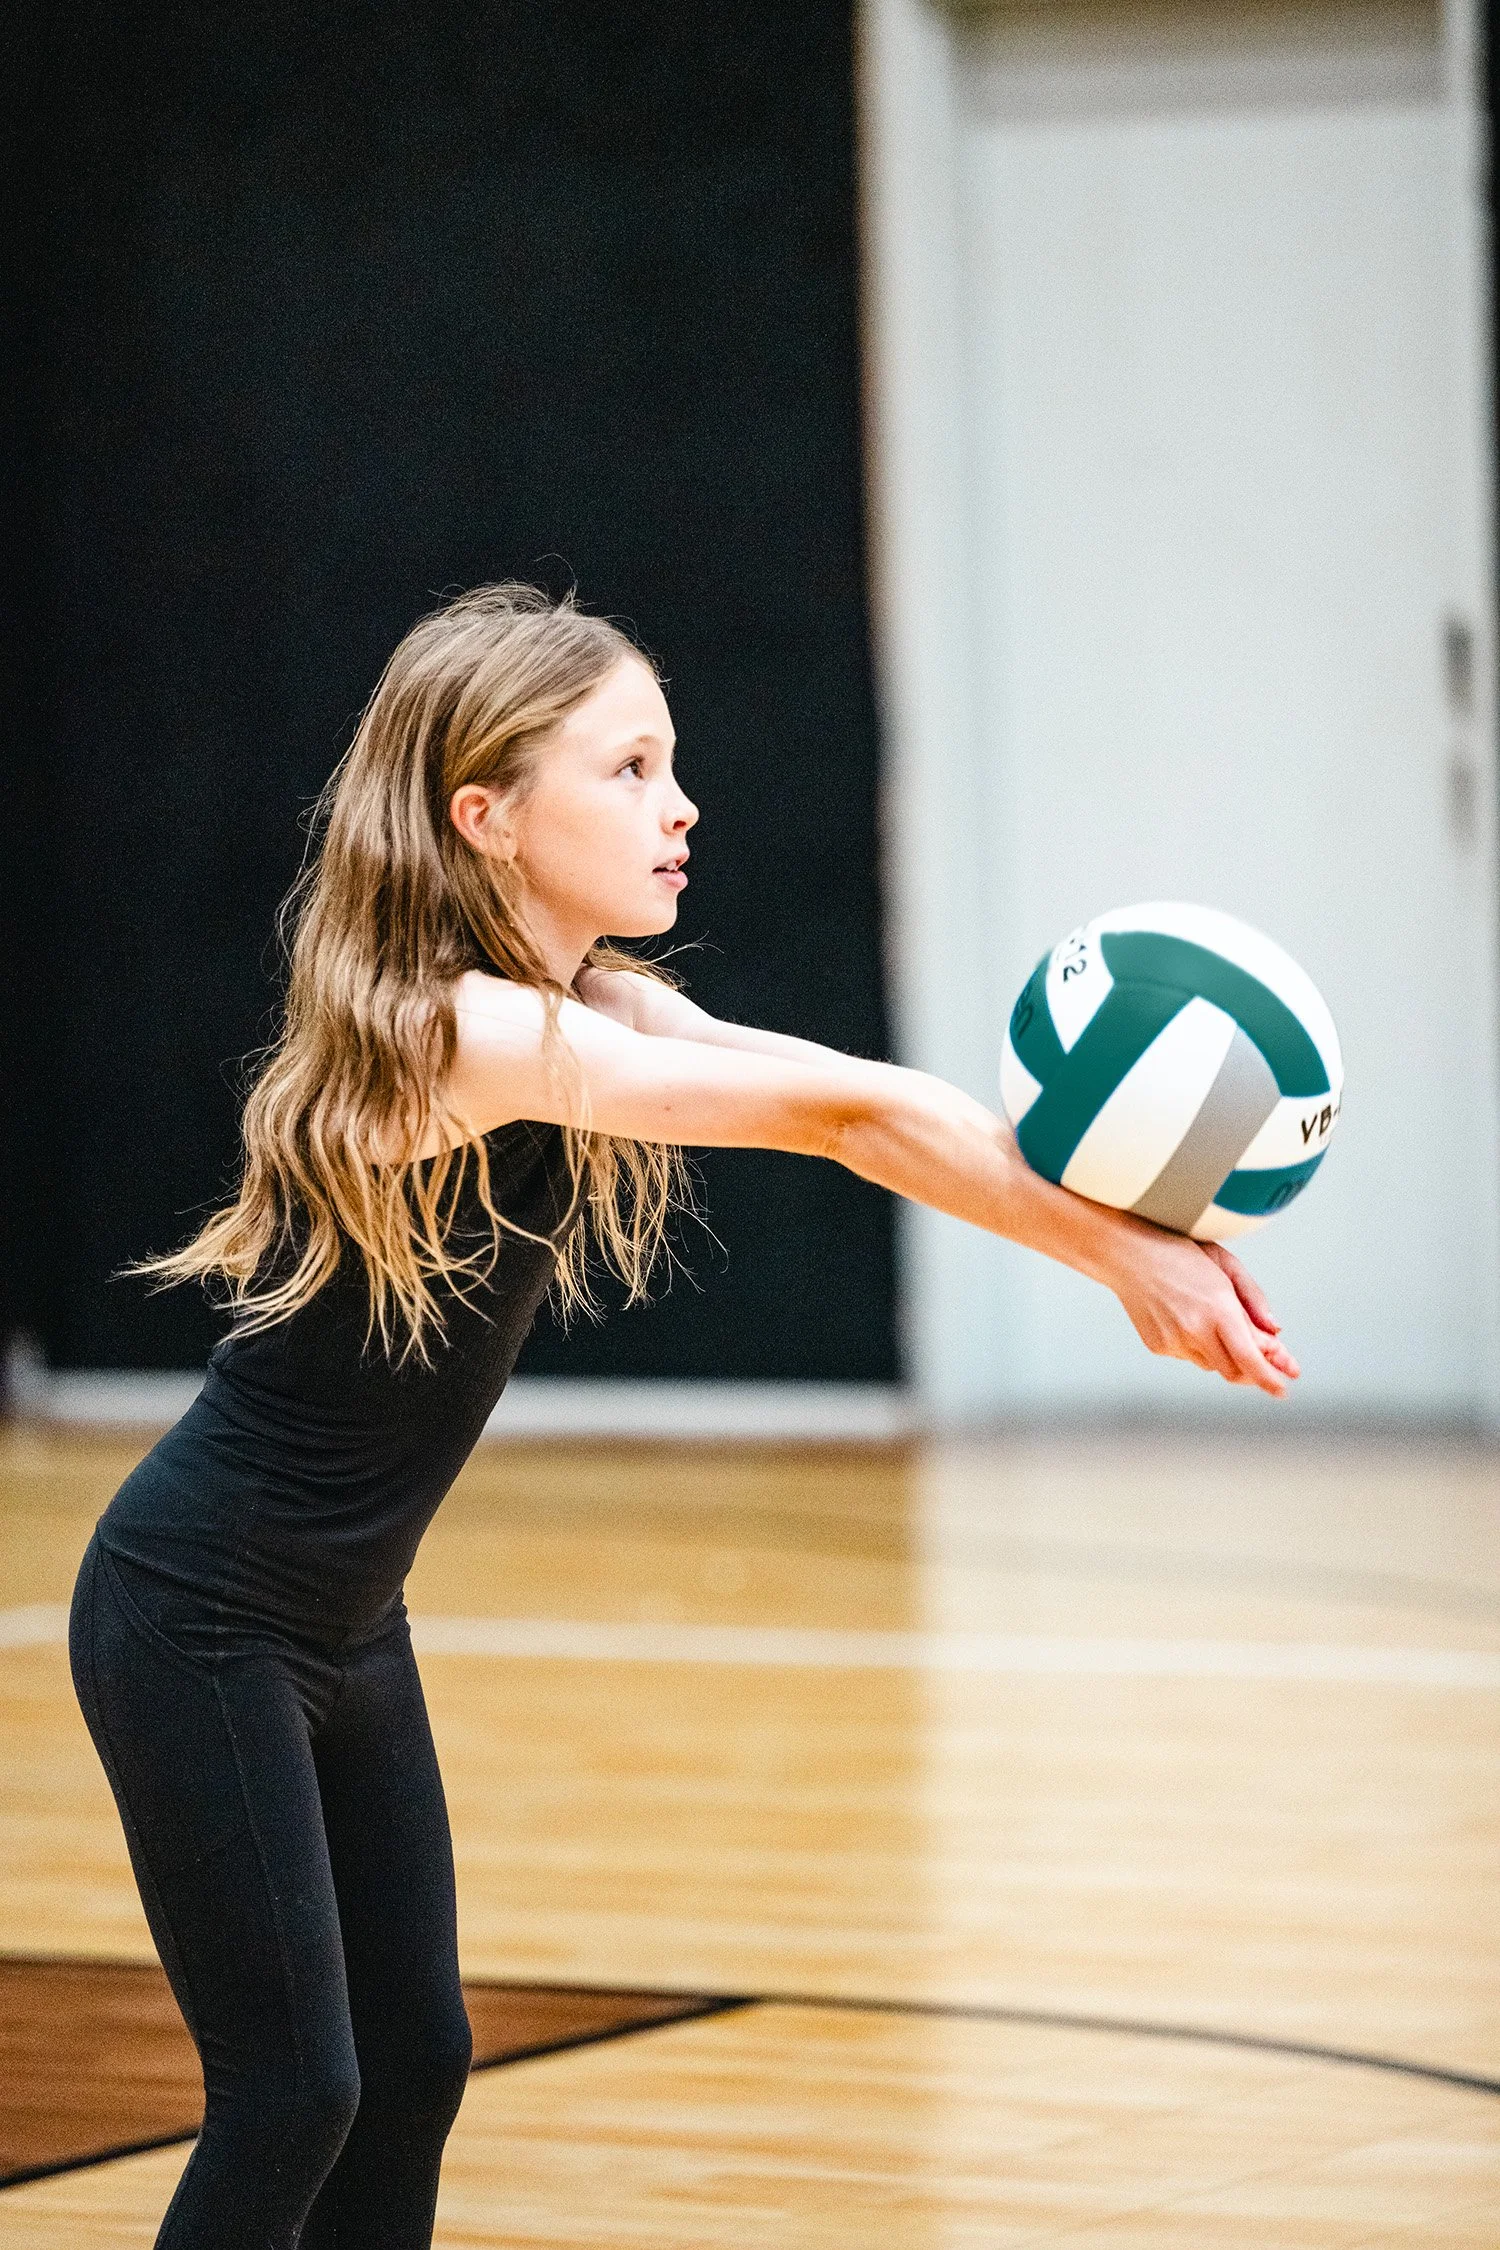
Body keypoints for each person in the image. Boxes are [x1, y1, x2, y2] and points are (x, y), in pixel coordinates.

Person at [70, 583, 1297, 2250]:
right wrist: (1127, 1255)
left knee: (417, 2060)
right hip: (198, 1612)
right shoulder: (459, 1032)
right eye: (632, 768)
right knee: (295, 2092)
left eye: (672, 763)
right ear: (485, 817)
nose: (682, 803)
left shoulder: (593, 1004)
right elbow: (845, 1104)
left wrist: (1136, 1250)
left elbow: (877, 1128)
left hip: (346, 1623)